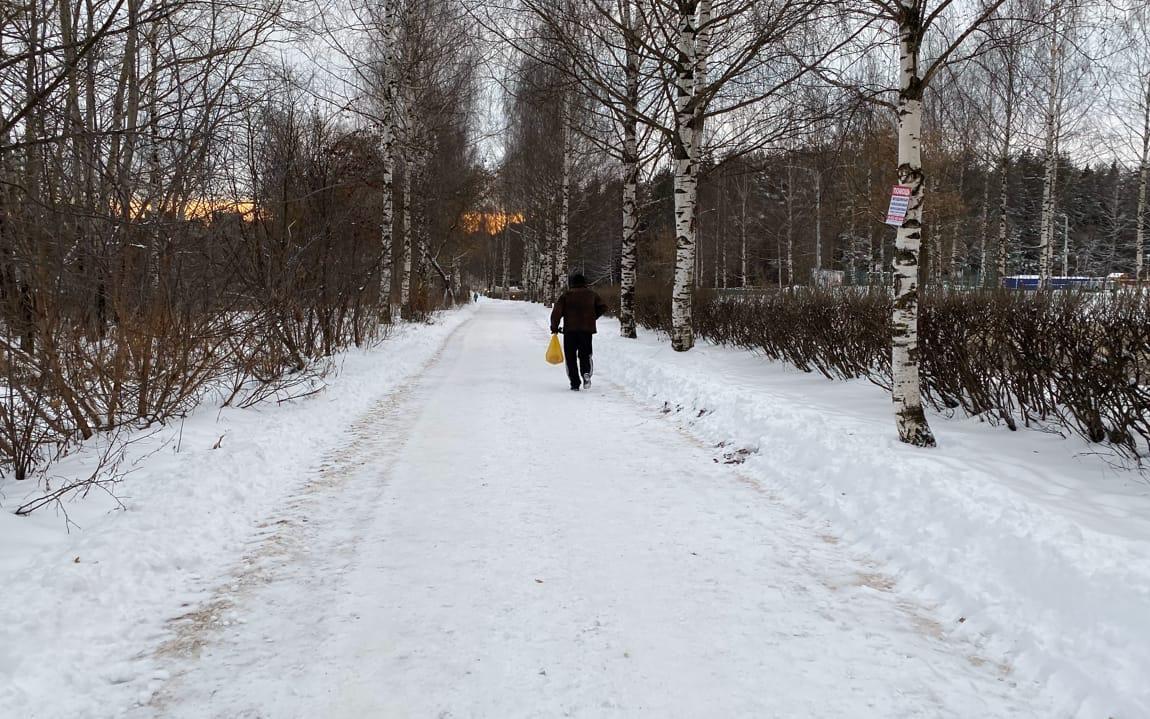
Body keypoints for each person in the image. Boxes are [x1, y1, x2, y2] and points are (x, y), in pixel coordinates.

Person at [550, 273, 608, 391]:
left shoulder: (567, 295)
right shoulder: (592, 294)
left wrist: (554, 327)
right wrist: (592, 317)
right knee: (585, 354)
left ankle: (575, 382)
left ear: (572, 283)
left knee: (570, 357)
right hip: (586, 331)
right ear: (584, 282)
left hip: (570, 331)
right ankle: (586, 373)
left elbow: (557, 311)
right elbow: (603, 307)